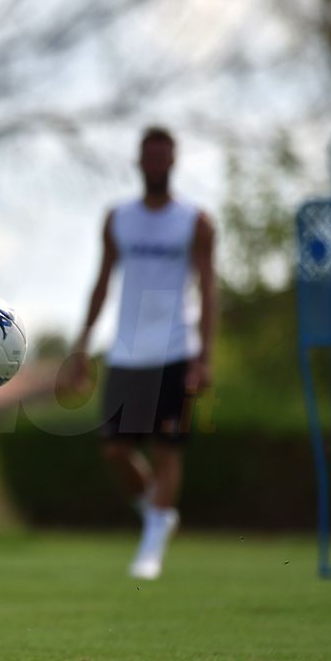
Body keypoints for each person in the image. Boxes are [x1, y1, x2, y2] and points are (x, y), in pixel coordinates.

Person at [70, 126, 216, 581]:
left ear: (173, 162)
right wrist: (81, 346)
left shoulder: (196, 221)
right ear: (140, 162)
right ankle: (158, 511)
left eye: (164, 158)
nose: (156, 165)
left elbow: (210, 288)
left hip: (176, 349)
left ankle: (150, 548)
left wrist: (204, 356)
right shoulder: (119, 218)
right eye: (149, 157)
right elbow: (102, 280)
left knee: (168, 449)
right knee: (115, 450)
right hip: (127, 353)